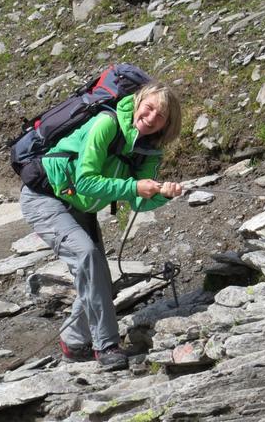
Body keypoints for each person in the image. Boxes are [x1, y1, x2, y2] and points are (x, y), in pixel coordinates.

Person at [19, 81, 182, 370]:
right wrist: (133, 186)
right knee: (86, 256)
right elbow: (85, 181)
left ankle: (73, 342)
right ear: (138, 102)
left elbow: (140, 204)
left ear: (167, 125)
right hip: (45, 196)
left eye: (161, 116)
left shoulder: (148, 151)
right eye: (150, 107)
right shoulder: (105, 124)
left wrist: (162, 194)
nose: (152, 117)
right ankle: (106, 345)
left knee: (101, 279)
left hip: (78, 205)